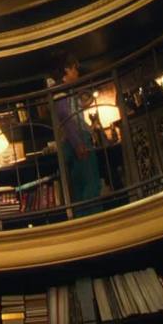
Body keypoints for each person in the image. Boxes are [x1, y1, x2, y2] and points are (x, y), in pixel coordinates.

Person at [49, 52, 102, 217]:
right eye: (74, 69)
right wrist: (78, 143)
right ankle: (93, 219)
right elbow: (65, 116)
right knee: (91, 184)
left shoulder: (66, 91)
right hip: (76, 140)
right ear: (67, 69)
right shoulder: (61, 90)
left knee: (80, 187)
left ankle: (84, 220)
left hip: (72, 141)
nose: (77, 73)